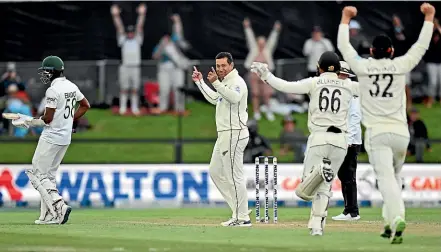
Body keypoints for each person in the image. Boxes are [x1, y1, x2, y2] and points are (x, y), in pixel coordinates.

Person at [337, 3, 435, 244]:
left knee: (387, 180)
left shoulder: (363, 66)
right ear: (391, 51)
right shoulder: (400, 65)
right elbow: (421, 46)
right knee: (394, 176)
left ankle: (397, 218)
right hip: (401, 133)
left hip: (378, 134)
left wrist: (345, 18)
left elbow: (343, 46)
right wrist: (430, 17)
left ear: (371, 50)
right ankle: (387, 223)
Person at [251, 51, 359, 236]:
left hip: (319, 137)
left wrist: (265, 75)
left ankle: (319, 174)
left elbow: (286, 86)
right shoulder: (349, 85)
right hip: (341, 141)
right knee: (325, 186)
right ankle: (316, 226)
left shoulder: (314, 82)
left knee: (304, 189)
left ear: (320, 67)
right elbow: (373, 90)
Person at [11, 56, 90, 225]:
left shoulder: (52, 91)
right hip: (65, 137)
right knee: (49, 176)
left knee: (38, 173)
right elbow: (85, 105)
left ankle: (59, 207)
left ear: (53, 71)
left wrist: (29, 121)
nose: (44, 74)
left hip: (52, 136)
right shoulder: (71, 86)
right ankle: (48, 215)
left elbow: (47, 118)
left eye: (46, 71)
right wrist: (69, 122)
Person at [192, 52, 251, 227]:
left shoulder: (237, 82)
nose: (220, 69)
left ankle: (243, 218)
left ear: (231, 65)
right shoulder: (224, 83)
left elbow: (233, 98)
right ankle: (239, 209)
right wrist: (200, 82)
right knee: (215, 171)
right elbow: (215, 99)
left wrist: (216, 83)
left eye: (224, 65)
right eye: (218, 66)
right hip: (225, 134)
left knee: (234, 176)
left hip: (235, 132)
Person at [332, 61, 362, 221]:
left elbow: (355, 116)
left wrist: (349, 139)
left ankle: (352, 211)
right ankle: (349, 209)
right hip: (344, 138)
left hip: (350, 140)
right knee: (344, 175)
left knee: (348, 175)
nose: (340, 78)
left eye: (342, 75)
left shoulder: (352, 89)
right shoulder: (341, 90)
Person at [111, 3, 146, 115]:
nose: (130, 34)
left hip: (135, 67)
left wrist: (142, 14)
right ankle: (123, 108)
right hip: (125, 67)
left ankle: (135, 108)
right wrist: (115, 16)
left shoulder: (137, 39)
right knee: (124, 88)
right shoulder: (123, 40)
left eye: (132, 32)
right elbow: (119, 27)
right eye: (129, 32)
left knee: (135, 89)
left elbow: (140, 26)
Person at [243, 18, 281, 121]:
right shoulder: (253, 49)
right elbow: (250, 38)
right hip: (254, 74)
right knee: (255, 94)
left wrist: (276, 30)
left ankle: (269, 111)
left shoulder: (267, 50)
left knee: (266, 94)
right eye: (259, 43)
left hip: (265, 74)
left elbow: (272, 40)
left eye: (263, 43)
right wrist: (247, 27)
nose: (261, 45)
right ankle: (256, 112)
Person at [152, 14, 190, 115]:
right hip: (164, 68)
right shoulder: (161, 44)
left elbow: (179, 32)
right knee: (164, 89)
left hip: (177, 67)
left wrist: (177, 21)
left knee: (178, 88)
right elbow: (155, 56)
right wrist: (161, 46)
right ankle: (162, 108)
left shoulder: (175, 41)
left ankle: (179, 108)